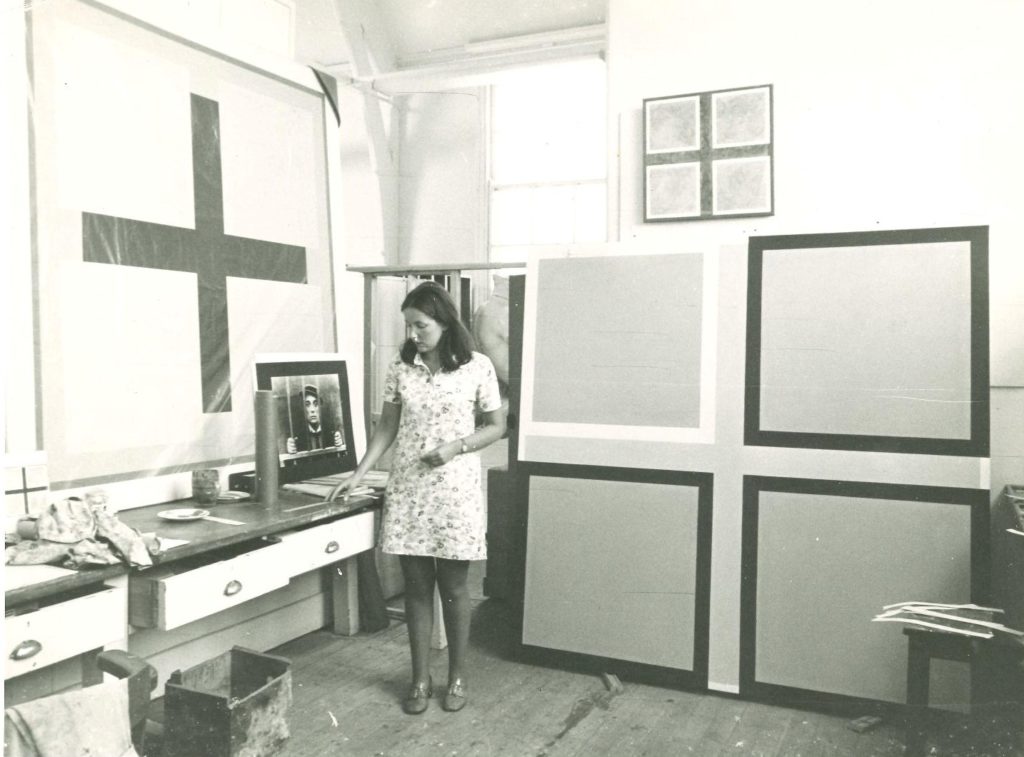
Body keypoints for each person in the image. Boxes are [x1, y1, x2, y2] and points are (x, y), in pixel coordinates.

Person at [331, 281, 506, 715]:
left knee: (454, 586)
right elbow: (387, 428)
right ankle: (420, 678)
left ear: (444, 322)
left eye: (420, 325)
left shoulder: (477, 366)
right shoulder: (401, 367)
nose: (412, 334)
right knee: (415, 587)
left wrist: (456, 447)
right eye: (408, 326)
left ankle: (458, 676)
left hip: (455, 491)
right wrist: (359, 474)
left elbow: (496, 426)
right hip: (409, 489)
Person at [286, 384, 343, 453]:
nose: (312, 410)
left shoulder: (331, 431)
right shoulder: (297, 436)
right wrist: (291, 451)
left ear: (321, 407)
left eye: (316, 404)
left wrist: (340, 446)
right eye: (307, 405)